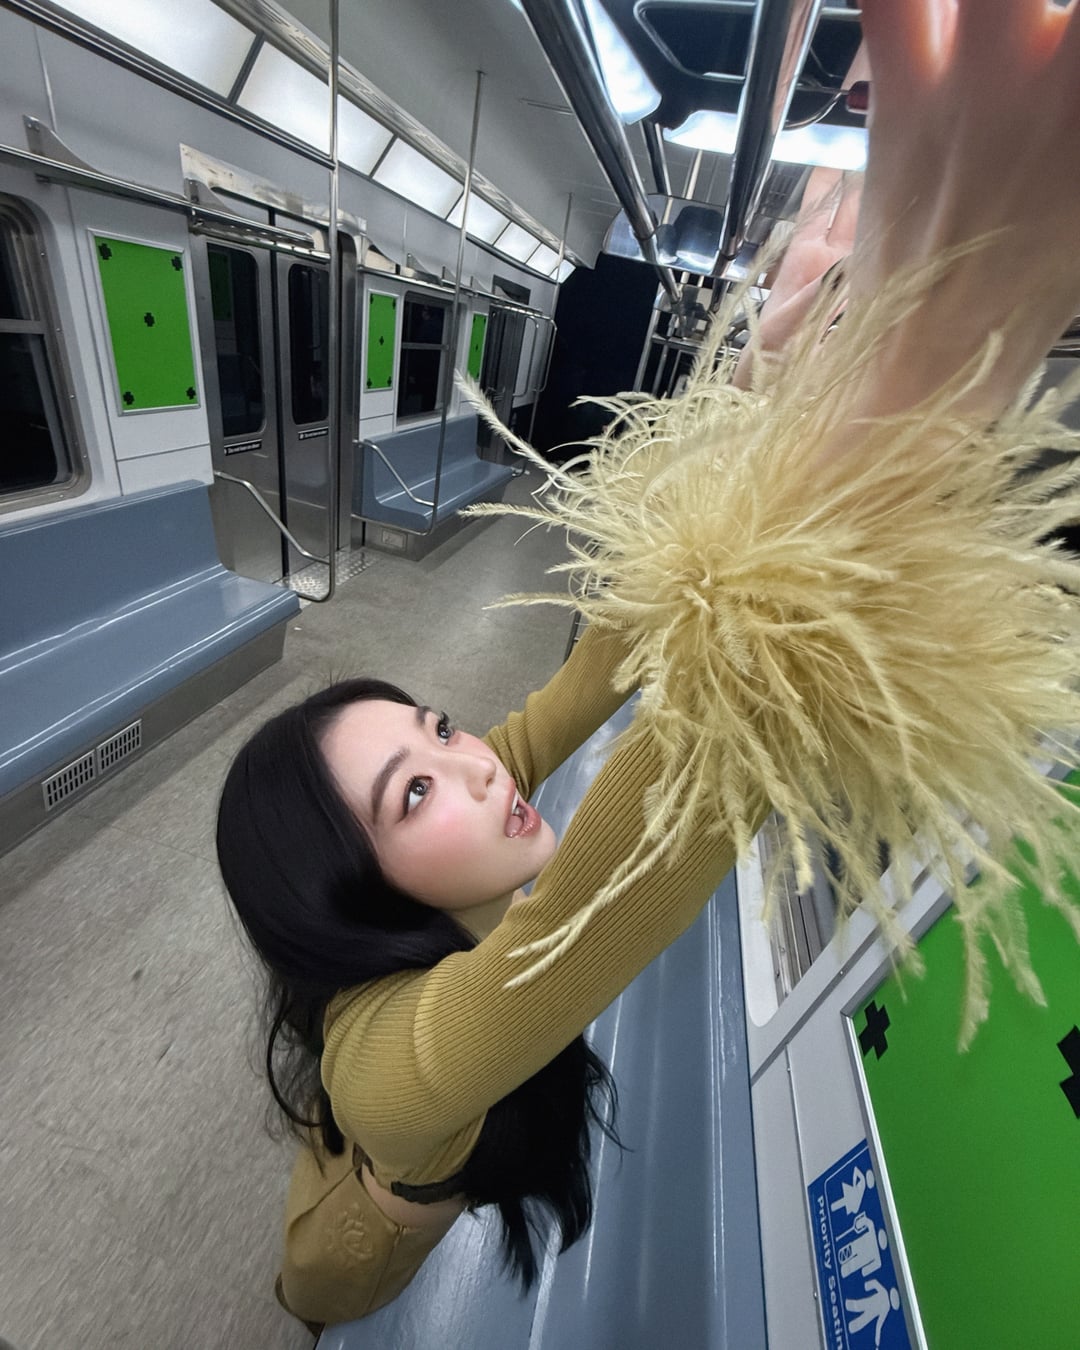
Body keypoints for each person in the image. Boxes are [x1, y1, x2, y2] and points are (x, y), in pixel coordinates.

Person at [216, 0, 1080, 1330]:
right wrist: (909, 402)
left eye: (436, 730)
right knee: (325, 1293)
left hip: (416, 1065)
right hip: (356, 1232)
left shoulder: (467, 817)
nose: (473, 763)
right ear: (356, 885)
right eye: (412, 793)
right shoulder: (390, 1069)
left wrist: (752, 392)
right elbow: (602, 897)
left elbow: (590, 674)